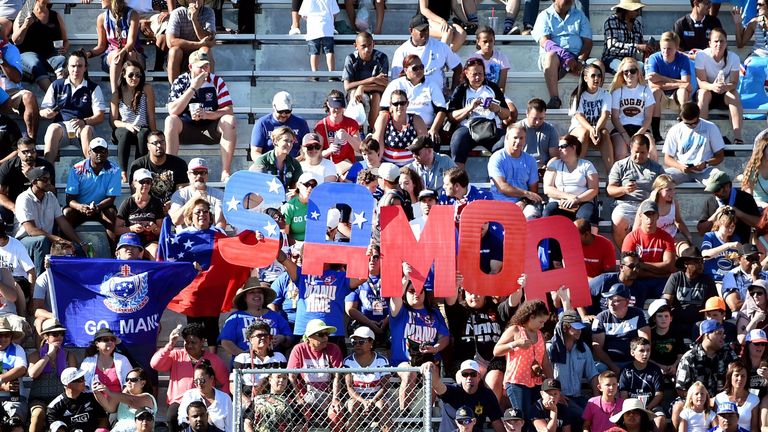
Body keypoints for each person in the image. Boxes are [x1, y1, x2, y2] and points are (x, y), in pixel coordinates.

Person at [165, 49, 236, 182]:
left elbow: (229, 110)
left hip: (210, 129)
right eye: (200, 67)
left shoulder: (216, 81)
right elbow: (172, 110)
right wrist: (192, 88)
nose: (204, 71)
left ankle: (225, 171)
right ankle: (171, 170)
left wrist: (207, 115)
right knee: (170, 121)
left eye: (206, 66)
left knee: (229, 120)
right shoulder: (181, 81)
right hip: (186, 129)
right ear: (190, 67)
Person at [150, 322, 228, 432]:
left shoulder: (213, 360)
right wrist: (170, 346)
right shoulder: (176, 355)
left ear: (202, 341)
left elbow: (225, 382)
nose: (189, 345)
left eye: (193, 342)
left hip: (205, 400)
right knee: (171, 417)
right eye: (186, 342)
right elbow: (155, 364)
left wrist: (219, 401)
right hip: (179, 401)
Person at [389, 276, 449, 410]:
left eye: (421, 290)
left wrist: (436, 348)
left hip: (428, 359)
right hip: (403, 361)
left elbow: (444, 336)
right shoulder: (400, 311)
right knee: (410, 373)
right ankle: (405, 413)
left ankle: (427, 413)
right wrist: (405, 278)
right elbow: (395, 297)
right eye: (412, 290)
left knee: (431, 370)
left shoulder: (434, 313)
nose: (417, 293)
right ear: (405, 292)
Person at [14, 166, 83, 275]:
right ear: (34, 182)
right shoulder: (23, 199)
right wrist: (59, 239)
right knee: (41, 241)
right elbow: (32, 231)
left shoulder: (51, 197)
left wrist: (79, 242)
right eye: (44, 180)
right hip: (24, 241)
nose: (49, 182)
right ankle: (38, 281)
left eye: (49, 179)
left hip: (47, 238)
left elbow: (63, 223)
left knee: (77, 247)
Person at [40, 50, 106, 163]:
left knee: (86, 130)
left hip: (82, 128)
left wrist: (84, 122)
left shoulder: (93, 88)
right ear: (68, 67)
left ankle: (90, 171)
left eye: (80, 66)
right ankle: (47, 173)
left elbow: (100, 116)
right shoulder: (57, 85)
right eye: (73, 66)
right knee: (52, 129)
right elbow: (42, 110)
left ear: (85, 68)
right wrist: (46, 113)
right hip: (62, 128)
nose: (76, 69)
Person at [493, 300, 553, 422]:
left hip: (536, 382)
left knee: (537, 417)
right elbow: (496, 351)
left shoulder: (540, 335)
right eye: (540, 322)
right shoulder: (515, 330)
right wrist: (515, 344)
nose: (542, 325)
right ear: (531, 317)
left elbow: (545, 361)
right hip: (517, 382)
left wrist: (551, 383)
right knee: (522, 418)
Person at [447, 57, 512, 167]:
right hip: (467, 128)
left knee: (505, 145)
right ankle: (458, 180)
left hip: (490, 127)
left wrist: (498, 109)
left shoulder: (492, 87)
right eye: (474, 74)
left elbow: (507, 114)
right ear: (466, 74)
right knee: (457, 143)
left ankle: (500, 179)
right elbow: (451, 116)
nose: (478, 77)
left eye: (480, 74)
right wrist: (469, 108)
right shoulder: (461, 89)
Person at [531, 0, 593, 109]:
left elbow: (588, 42)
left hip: (576, 56)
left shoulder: (580, 15)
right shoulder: (544, 15)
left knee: (599, 65)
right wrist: (565, 57)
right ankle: (555, 99)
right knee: (550, 56)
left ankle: (595, 100)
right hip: (555, 57)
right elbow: (545, 42)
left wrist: (580, 61)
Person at [607, 134, 665, 247]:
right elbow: (610, 190)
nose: (638, 156)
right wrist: (624, 189)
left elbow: (664, 188)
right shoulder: (620, 165)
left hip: (648, 204)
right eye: (636, 152)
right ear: (630, 149)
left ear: (648, 151)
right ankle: (626, 253)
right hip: (625, 204)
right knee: (618, 220)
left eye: (642, 152)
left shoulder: (657, 168)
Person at [287, 319, 344, 431]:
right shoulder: (299, 349)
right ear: (309, 337)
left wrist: (335, 399)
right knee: (302, 412)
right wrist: (299, 398)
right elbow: (291, 376)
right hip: (306, 396)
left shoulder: (333, 348)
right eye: (321, 335)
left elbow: (337, 376)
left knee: (335, 413)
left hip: (328, 395)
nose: (325, 338)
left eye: (327, 334)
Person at [63, 137, 120, 250]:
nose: (99, 154)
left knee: (111, 213)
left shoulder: (115, 169)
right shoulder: (77, 169)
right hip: (80, 207)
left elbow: (111, 199)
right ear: (89, 152)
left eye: (102, 150)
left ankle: (115, 252)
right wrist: (81, 207)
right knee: (66, 213)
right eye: (96, 150)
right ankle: (67, 250)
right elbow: (70, 199)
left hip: (102, 207)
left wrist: (97, 207)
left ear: (107, 152)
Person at [547, 310, 598, 430]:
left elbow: (593, 374)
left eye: (580, 328)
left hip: (578, 397)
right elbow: (545, 377)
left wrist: (597, 400)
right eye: (575, 328)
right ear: (565, 328)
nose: (579, 331)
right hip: (559, 399)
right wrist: (556, 395)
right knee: (582, 416)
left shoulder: (583, 348)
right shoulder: (550, 348)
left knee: (595, 414)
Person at [422, 360, 505, 432]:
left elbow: (496, 422)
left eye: (473, 374)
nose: (469, 377)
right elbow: (436, 385)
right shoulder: (451, 391)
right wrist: (430, 366)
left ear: (479, 377)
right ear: (461, 376)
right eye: (465, 374)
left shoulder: (487, 395)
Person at [26, 319, 77, 432]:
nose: (59, 337)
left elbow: (74, 380)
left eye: (61, 334)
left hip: (61, 399)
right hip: (39, 399)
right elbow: (33, 374)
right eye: (55, 334)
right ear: (46, 337)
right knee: (38, 414)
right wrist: (48, 355)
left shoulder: (69, 355)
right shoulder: (36, 355)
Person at [381, 54, 447, 141]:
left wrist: (434, 129)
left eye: (421, 67)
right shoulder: (396, 84)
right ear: (405, 70)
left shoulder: (431, 84)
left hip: (426, 129)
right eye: (415, 68)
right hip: (400, 129)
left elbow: (441, 110)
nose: (419, 70)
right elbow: (384, 110)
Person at [220, 278, 292, 357]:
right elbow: (226, 342)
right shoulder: (235, 317)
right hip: (245, 366)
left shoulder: (276, 316)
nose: (256, 294)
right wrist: (247, 357)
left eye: (259, 292)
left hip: (273, 363)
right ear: (244, 298)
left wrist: (283, 338)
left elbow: (290, 340)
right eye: (252, 292)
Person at [390, 14, 462, 92]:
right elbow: (397, 78)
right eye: (421, 30)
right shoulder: (402, 51)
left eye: (427, 29)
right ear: (411, 31)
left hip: (439, 94)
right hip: (412, 97)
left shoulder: (441, 46)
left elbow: (458, 68)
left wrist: (454, 92)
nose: (425, 32)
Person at [675, 319, 739, 407]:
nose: (723, 336)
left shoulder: (728, 353)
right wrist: (703, 401)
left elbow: (739, 375)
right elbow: (681, 389)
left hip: (724, 403)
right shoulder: (690, 357)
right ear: (707, 335)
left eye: (723, 333)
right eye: (719, 333)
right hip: (697, 403)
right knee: (678, 406)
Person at [695, 28, 743, 143]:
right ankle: (702, 136)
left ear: (726, 43)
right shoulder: (701, 56)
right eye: (716, 41)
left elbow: (734, 83)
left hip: (725, 93)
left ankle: (738, 137)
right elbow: (701, 82)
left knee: (734, 95)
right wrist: (713, 87)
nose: (719, 44)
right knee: (703, 94)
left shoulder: (733, 58)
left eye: (722, 41)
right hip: (708, 90)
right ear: (710, 43)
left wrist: (725, 87)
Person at [111, 60, 156, 181]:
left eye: (138, 75)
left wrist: (154, 134)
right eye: (131, 75)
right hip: (124, 128)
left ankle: (138, 171)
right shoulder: (117, 93)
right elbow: (113, 121)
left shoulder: (146, 89)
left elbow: (151, 115)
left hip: (141, 127)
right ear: (124, 74)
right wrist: (126, 125)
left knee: (143, 134)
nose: (134, 78)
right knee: (124, 134)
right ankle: (123, 172)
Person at [621, 200, 676, 298]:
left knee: (668, 298)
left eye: (653, 214)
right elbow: (629, 269)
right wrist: (659, 273)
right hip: (638, 280)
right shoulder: (631, 238)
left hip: (661, 282)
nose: (650, 218)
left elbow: (669, 266)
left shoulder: (666, 238)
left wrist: (642, 265)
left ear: (658, 216)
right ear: (641, 216)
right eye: (647, 215)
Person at [592, 283, 651, 373]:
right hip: (608, 364)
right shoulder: (601, 318)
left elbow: (645, 341)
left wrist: (636, 364)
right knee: (598, 369)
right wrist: (613, 367)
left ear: (627, 302)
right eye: (609, 299)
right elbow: (597, 348)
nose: (611, 304)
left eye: (616, 300)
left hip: (633, 362)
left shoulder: (638, 314)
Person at [487, 124, 542, 220]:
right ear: (507, 138)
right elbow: (502, 187)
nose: (518, 141)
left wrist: (523, 201)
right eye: (515, 137)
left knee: (531, 216)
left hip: (524, 204)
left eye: (522, 138)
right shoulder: (497, 158)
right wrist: (526, 193)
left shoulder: (530, 160)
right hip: (499, 203)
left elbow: (533, 190)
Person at [11, 0, 69, 91]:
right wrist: (25, 25)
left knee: (61, 60)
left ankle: (62, 96)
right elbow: (16, 40)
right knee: (36, 64)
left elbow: (65, 40)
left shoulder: (55, 15)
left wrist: (64, 48)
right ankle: (53, 97)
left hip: (50, 54)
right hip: (28, 54)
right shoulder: (25, 14)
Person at [542, 134, 599, 225]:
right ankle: (550, 239)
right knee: (548, 213)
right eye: (558, 147)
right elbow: (548, 189)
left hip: (582, 202)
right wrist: (568, 197)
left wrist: (577, 199)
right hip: (559, 201)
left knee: (586, 218)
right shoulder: (554, 165)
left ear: (573, 147)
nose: (559, 149)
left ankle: (583, 239)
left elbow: (594, 189)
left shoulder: (587, 165)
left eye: (563, 146)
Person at [662, 102, 725, 185]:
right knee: (661, 180)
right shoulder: (675, 130)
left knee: (722, 181)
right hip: (681, 169)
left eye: (694, 123)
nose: (691, 126)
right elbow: (667, 159)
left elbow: (720, 156)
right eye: (687, 124)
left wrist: (706, 163)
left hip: (705, 170)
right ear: (681, 118)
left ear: (698, 116)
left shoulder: (711, 127)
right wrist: (681, 167)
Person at [89, 0, 144, 93]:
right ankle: (115, 95)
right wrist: (88, 54)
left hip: (133, 55)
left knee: (130, 55)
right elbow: (101, 46)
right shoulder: (102, 18)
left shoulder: (132, 14)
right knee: (116, 54)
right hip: (111, 57)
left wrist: (121, 53)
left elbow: (130, 44)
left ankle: (132, 94)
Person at [343, 326, 392, 430]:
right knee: (352, 404)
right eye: (354, 342)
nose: (357, 345)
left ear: (371, 343)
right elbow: (349, 387)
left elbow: (385, 386)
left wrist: (372, 401)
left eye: (361, 342)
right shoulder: (348, 361)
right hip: (357, 398)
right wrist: (363, 402)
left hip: (378, 398)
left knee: (381, 405)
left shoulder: (382, 361)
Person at [609, 57, 657, 162]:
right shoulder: (617, 92)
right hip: (621, 129)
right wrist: (625, 135)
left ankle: (651, 178)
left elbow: (648, 117)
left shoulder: (646, 90)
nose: (629, 74)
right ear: (622, 74)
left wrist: (639, 134)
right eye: (626, 72)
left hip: (641, 128)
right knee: (620, 153)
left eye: (632, 71)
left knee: (652, 152)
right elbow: (615, 118)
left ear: (638, 72)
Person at [0, 138, 55, 226]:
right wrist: (14, 208)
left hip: (39, 203)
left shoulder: (46, 166)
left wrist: (32, 177)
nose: (29, 154)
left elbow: (52, 191)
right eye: (25, 152)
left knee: (52, 209)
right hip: (14, 204)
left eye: (32, 150)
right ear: (18, 152)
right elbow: (1, 194)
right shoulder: (8, 167)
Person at [569, 63, 614, 171]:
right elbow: (579, 116)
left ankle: (612, 175)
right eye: (593, 76)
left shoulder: (605, 94)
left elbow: (605, 114)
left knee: (605, 133)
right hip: (579, 130)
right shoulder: (577, 95)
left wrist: (597, 129)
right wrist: (591, 129)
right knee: (585, 132)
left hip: (596, 130)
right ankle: (577, 170)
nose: (596, 78)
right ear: (585, 78)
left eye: (599, 75)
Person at [662, 247, 717, 333]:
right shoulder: (676, 277)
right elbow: (666, 302)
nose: (701, 264)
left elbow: (713, 304)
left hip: (699, 323)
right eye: (696, 262)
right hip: (677, 321)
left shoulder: (707, 280)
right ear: (686, 263)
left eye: (702, 261)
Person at [698, 171, 761, 246]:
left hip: (740, 246)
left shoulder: (745, 198)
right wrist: (715, 216)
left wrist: (739, 213)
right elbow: (701, 231)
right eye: (713, 190)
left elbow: (759, 223)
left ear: (728, 185)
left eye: (717, 189)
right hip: (716, 246)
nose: (715, 193)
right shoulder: (710, 201)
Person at [128, 131, 189, 207]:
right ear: (148, 146)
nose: (159, 145)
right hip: (147, 207)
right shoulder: (138, 165)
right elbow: (135, 193)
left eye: (162, 142)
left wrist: (173, 203)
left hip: (173, 206)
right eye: (155, 143)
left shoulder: (179, 164)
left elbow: (182, 190)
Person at [646, 32, 693, 130]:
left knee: (683, 91)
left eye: (669, 49)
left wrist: (660, 78)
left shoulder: (683, 59)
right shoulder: (653, 58)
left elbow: (686, 84)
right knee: (655, 92)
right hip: (660, 98)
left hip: (676, 97)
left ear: (677, 47)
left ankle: (684, 125)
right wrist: (677, 83)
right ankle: (656, 132)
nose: (666, 52)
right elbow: (653, 85)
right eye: (663, 48)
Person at [342, 31, 389, 130]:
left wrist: (362, 87)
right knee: (356, 94)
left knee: (375, 95)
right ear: (356, 46)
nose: (367, 49)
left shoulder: (381, 58)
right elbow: (347, 86)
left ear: (374, 44)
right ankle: (356, 130)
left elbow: (384, 86)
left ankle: (373, 131)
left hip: (374, 91)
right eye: (363, 46)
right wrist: (372, 79)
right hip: (356, 91)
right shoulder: (351, 59)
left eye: (370, 45)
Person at [232, 320, 288, 401]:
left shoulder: (279, 357)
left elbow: (284, 383)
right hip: (248, 403)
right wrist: (248, 403)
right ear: (250, 339)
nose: (263, 338)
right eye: (259, 335)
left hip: (273, 402)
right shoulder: (241, 358)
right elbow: (233, 386)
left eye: (266, 335)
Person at [618, 338, 666, 430]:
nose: (645, 354)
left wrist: (647, 408)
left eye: (648, 350)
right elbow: (623, 394)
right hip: (631, 407)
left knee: (660, 419)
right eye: (641, 351)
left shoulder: (655, 370)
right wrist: (634, 409)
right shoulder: (626, 370)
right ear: (632, 352)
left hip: (651, 406)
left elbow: (659, 394)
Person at [115, 169, 163, 259]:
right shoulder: (127, 203)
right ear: (134, 183)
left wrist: (154, 228)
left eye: (148, 182)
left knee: (155, 250)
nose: (145, 185)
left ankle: (155, 273)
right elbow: (117, 230)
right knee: (128, 253)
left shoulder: (156, 203)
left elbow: (162, 232)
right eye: (142, 182)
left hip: (150, 242)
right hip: (131, 241)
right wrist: (131, 228)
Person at [374, 89, 428, 167]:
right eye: (396, 104)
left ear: (407, 103)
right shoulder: (384, 118)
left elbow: (424, 146)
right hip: (388, 166)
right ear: (391, 105)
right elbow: (377, 145)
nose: (399, 106)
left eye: (402, 103)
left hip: (412, 167)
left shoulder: (416, 119)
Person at [637, 174, 695, 247]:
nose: (673, 192)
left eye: (674, 189)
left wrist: (688, 235)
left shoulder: (674, 203)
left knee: (686, 251)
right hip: (654, 240)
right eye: (669, 190)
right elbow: (636, 229)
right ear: (658, 190)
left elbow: (679, 221)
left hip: (672, 237)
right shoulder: (646, 205)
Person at [165, 0, 215, 84]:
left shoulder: (208, 12)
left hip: (198, 54)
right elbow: (171, 42)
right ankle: (174, 88)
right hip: (181, 55)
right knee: (174, 51)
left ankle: (209, 87)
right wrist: (199, 44)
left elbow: (209, 39)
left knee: (205, 50)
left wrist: (194, 20)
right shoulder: (177, 13)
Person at [92, 367, 157, 432]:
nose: (128, 382)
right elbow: (109, 407)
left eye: (133, 380)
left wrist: (109, 392)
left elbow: (132, 401)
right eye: (127, 379)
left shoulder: (148, 398)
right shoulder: (123, 396)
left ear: (143, 383)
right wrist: (97, 392)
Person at [250, 91, 310, 159]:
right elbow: (255, 152)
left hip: (295, 163)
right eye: (280, 111)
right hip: (269, 164)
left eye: (287, 111)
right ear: (273, 107)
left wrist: (295, 164)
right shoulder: (262, 123)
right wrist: (268, 164)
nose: (284, 115)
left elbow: (307, 150)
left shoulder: (301, 123)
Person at [168, 158, 224, 229]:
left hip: (210, 237)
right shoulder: (180, 194)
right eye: (195, 172)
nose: (199, 176)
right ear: (188, 175)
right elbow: (176, 221)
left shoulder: (218, 195)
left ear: (207, 174)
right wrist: (194, 199)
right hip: (186, 238)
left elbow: (220, 223)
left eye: (202, 172)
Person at [177, 360, 232, 432]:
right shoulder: (189, 395)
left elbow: (230, 427)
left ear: (211, 378)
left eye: (202, 380)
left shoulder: (225, 398)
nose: (199, 384)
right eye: (196, 381)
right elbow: (182, 419)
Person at [315, 90, 362, 172]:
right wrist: (329, 150)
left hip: (347, 166)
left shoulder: (352, 123)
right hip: (328, 167)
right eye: (334, 107)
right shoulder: (322, 125)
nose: (337, 110)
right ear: (328, 105)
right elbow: (316, 155)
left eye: (339, 107)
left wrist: (347, 136)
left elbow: (359, 149)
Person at [602, 0, 653, 73]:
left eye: (639, 10)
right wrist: (637, 47)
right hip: (612, 59)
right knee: (623, 68)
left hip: (631, 61)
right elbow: (612, 46)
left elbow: (641, 44)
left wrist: (647, 48)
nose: (638, 13)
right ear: (626, 10)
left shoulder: (637, 24)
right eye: (636, 10)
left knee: (643, 67)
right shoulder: (612, 21)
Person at [80, 328, 131, 394]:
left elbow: (129, 383)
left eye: (113, 340)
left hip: (119, 401)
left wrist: (122, 402)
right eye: (106, 340)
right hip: (94, 401)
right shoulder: (88, 361)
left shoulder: (122, 359)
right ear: (97, 344)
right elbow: (84, 385)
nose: (110, 342)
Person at [513, 98, 559, 170]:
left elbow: (554, 156)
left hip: (543, 168)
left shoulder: (550, 130)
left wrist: (548, 166)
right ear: (527, 114)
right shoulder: (516, 129)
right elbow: (512, 153)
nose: (537, 122)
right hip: (521, 166)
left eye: (541, 118)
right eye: (534, 118)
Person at [713, 361, 760, 430]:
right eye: (736, 375)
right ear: (730, 376)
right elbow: (716, 426)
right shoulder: (719, 398)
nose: (740, 379)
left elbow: (754, 428)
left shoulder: (754, 399)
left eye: (743, 376)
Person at [722, 244, 766, 312]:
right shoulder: (731, 276)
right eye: (750, 258)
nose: (754, 262)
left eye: (756, 258)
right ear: (739, 259)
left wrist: (755, 276)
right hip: (742, 317)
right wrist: (755, 276)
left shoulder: (766, 275)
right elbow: (735, 306)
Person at [299, 0, 338, 77]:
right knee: (329, 51)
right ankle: (332, 73)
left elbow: (303, 14)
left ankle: (315, 73)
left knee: (314, 52)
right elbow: (335, 12)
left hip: (313, 29)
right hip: (327, 28)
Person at [701, 210, 741, 282]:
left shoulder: (735, 238)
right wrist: (727, 246)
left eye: (733, 226)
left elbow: (738, 263)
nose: (730, 229)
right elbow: (705, 255)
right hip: (713, 279)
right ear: (720, 224)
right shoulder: (710, 236)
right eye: (727, 226)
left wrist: (737, 261)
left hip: (730, 279)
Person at [475, 26, 510, 94]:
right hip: (477, 95)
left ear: (494, 40)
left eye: (490, 41)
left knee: (511, 105)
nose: (488, 44)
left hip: (496, 95)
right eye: (485, 41)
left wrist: (495, 99)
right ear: (478, 42)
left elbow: (501, 87)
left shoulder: (501, 57)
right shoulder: (473, 59)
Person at [741, 133, 768, 209]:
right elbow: (748, 198)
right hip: (757, 207)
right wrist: (764, 205)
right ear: (762, 150)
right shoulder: (753, 170)